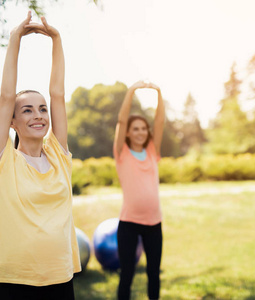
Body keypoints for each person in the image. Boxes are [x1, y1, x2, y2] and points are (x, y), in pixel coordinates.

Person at [0, 12, 80, 300]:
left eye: (42, 109)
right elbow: (5, 97)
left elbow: (58, 94)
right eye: (27, 110)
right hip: (14, 284)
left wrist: (57, 39)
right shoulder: (4, 161)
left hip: (60, 279)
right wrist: (15, 39)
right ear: (12, 122)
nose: (39, 115)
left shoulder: (59, 156)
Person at [113, 81, 166, 300]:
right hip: (129, 224)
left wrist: (159, 93)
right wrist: (131, 91)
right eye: (135, 129)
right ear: (127, 133)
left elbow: (160, 121)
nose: (140, 132)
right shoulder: (122, 153)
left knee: (154, 274)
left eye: (144, 128)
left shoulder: (153, 151)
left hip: (154, 223)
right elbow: (121, 119)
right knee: (127, 274)